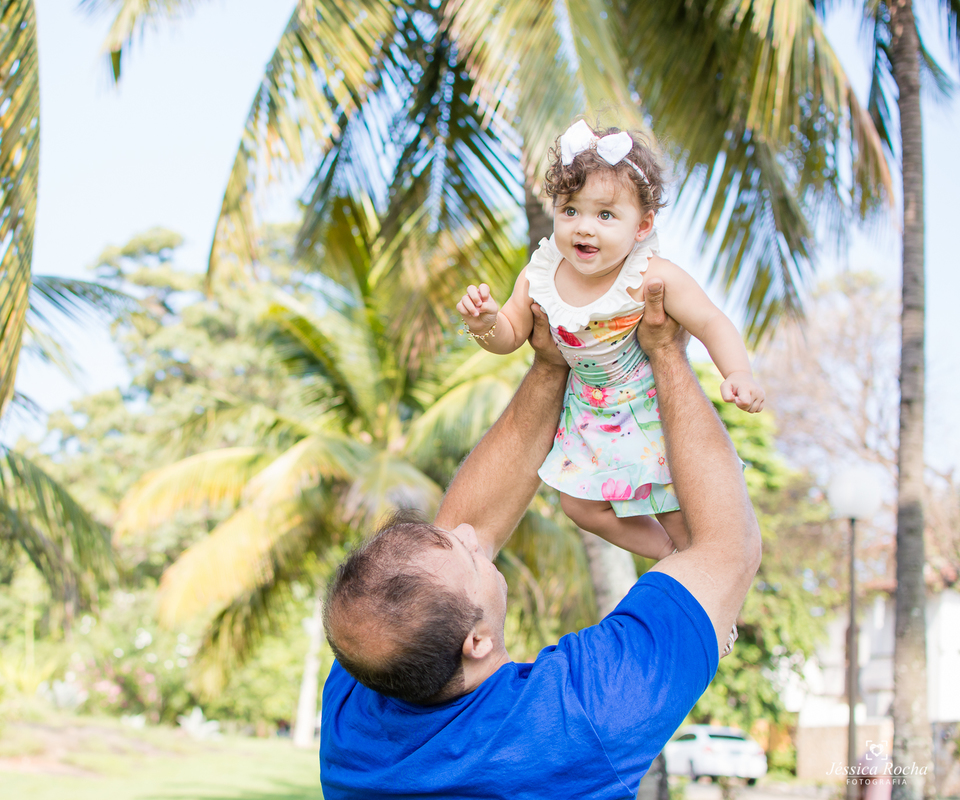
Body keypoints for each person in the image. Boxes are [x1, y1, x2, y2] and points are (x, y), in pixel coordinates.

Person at [319, 281, 762, 799]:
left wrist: (552, 365)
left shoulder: (362, 698)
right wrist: (666, 353)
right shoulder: (578, 720)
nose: (464, 532)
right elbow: (725, 551)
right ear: (476, 643)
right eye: (468, 555)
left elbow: (463, 537)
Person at [456, 119, 764, 561]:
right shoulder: (540, 274)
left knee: (676, 506)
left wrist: (739, 372)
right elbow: (510, 334)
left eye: (605, 215)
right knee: (579, 504)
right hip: (590, 413)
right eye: (571, 210)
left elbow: (711, 321)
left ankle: (700, 569)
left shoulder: (649, 275)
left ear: (642, 226)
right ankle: (672, 557)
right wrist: (486, 321)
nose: (584, 227)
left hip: (649, 408)